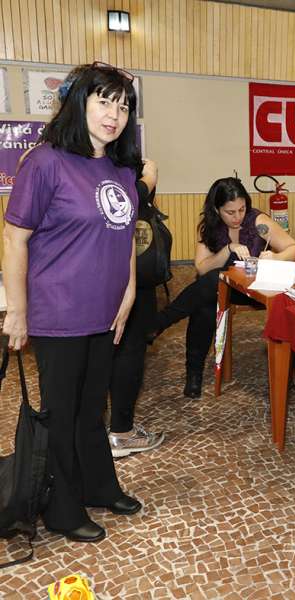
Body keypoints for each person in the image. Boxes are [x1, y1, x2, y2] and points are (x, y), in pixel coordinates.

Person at [2, 62, 143, 543]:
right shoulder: (45, 162)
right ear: (79, 103)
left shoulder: (121, 169)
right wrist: (17, 310)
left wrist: (128, 292)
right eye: (104, 102)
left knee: (92, 409)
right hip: (59, 313)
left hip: (105, 313)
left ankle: (98, 486)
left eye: (122, 106)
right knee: (61, 414)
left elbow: (126, 237)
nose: (114, 115)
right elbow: (15, 238)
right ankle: (62, 509)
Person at [150, 177, 295, 398]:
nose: (237, 216)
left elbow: (294, 248)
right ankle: (194, 375)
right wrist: (228, 249)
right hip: (223, 288)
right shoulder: (210, 227)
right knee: (208, 296)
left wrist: (275, 257)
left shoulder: (257, 220)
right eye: (230, 212)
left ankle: (160, 322)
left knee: (210, 287)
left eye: (242, 209)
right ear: (216, 209)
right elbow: (202, 267)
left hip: (254, 289)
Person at [107, 158, 165, 458]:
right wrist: (149, 176)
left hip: (90, 279)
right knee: (128, 350)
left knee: (104, 354)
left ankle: (92, 431)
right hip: (127, 280)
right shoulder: (117, 178)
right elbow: (133, 197)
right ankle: (121, 432)